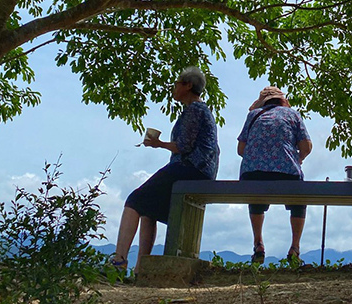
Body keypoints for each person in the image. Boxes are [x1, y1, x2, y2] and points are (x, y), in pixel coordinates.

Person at [111, 67, 220, 273]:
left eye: (178, 83)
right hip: (199, 169)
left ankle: (119, 260)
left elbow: (183, 146)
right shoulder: (197, 110)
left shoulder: (195, 109)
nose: (174, 87)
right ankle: (141, 268)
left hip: (191, 168)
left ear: (188, 85)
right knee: (148, 209)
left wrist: (158, 143)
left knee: (134, 200)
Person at [237, 86, 312, 264]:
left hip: (253, 175)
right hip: (286, 174)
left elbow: (241, 150)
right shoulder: (292, 115)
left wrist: (260, 157)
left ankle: (258, 243)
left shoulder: (253, 115)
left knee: (255, 197)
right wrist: (297, 158)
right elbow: (306, 147)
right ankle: (295, 247)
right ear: (282, 100)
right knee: (299, 200)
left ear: (262, 102)